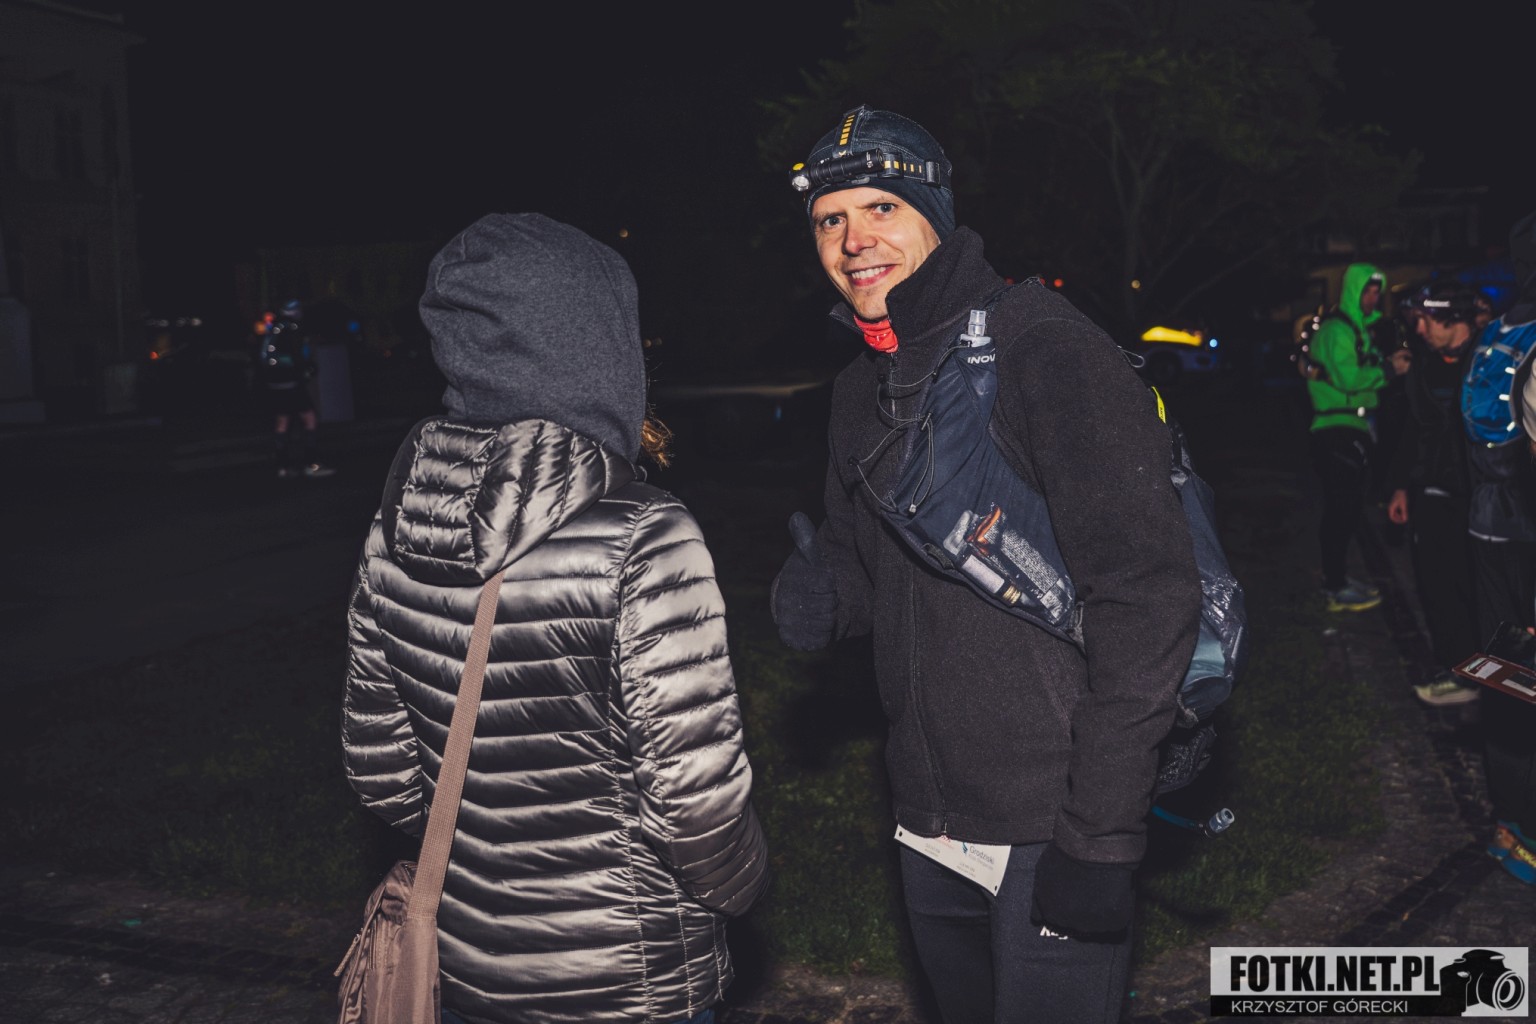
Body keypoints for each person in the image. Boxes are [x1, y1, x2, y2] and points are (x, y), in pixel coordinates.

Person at [770, 105, 1201, 1023]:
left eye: (881, 208)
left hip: (1054, 820)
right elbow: (867, 566)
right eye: (829, 219)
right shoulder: (857, 388)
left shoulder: (1043, 347)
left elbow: (1148, 595)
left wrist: (1101, 833)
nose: (854, 241)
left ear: (935, 213)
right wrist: (825, 595)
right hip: (925, 816)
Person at [341, 213, 770, 1023]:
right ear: (593, 347)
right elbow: (695, 806)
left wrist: (490, 856)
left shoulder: (394, 526)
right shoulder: (644, 535)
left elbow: (381, 772)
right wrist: (745, 890)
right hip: (628, 980)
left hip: (465, 971)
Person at [1472, 208, 1536, 883]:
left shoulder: (1501, 329)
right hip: (1524, 527)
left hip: (1491, 517)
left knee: (1508, 669)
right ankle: (1522, 830)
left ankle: (1508, 822)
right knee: (1523, 675)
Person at [1384, 280, 1482, 705]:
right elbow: (1413, 430)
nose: (1419, 329)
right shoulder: (1424, 367)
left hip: (1480, 498)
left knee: (1479, 589)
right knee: (1436, 587)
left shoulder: (1486, 360)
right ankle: (1458, 670)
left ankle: (1491, 675)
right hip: (1432, 493)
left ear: (1451, 316)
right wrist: (1399, 486)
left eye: (1426, 320)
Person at [1304, 262, 1411, 611]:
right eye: (1368, 290)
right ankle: (1335, 588)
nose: (1373, 298)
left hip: (1353, 427)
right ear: (1353, 290)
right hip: (1335, 430)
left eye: (1377, 291)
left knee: (1347, 511)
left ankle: (1337, 580)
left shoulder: (1359, 330)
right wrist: (1390, 368)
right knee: (1342, 510)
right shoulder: (1338, 330)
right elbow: (1349, 379)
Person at [254, 297, 335, 478]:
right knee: (309, 419)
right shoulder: (292, 329)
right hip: (291, 382)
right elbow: (298, 355)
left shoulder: (275, 327)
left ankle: (282, 466)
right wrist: (306, 368)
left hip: (274, 383)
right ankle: (311, 463)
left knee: (282, 422)